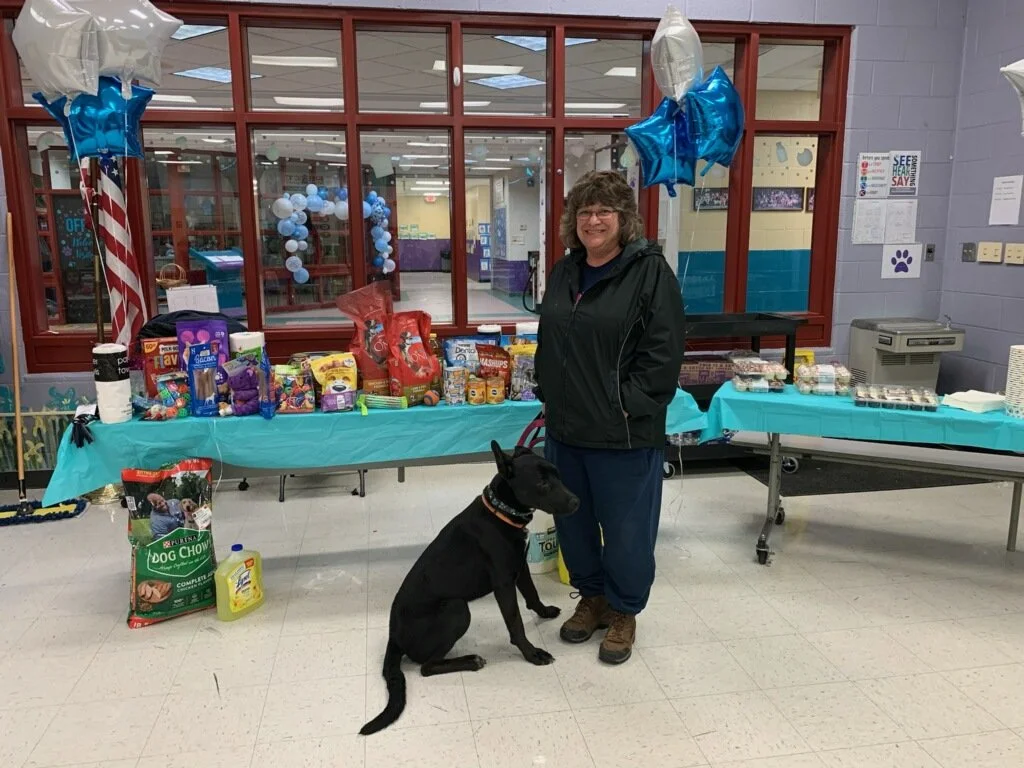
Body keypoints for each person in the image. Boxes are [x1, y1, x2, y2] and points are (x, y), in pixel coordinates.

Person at [535, 170, 685, 664]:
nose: (593, 220)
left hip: (624, 434)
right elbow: (551, 341)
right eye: (584, 212)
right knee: (574, 526)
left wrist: (626, 403)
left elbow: (663, 356)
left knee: (625, 531)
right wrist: (548, 392)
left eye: (604, 212)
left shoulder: (651, 274)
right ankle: (592, 598)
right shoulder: (564, 271)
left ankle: (623, 612)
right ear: (572, 222)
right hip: (566, 430)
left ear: (624, 220)